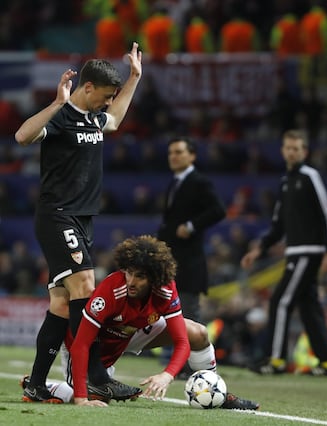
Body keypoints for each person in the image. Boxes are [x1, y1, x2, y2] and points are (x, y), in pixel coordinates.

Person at [15, 42, 142, 402]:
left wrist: (134, 77)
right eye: (104, 95)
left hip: (83, 219)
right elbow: (21, 136)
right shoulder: (61, 117)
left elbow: (114, 119)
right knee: (86, 284)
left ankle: (37, 384)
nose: (107, 102)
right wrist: (56, 104)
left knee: (60, 303)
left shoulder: (95, 119)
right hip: (58, 215)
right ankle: (97, 374)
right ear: (87, 88)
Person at [65, 235, 259, 409]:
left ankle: (216, 392)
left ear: (154, 278)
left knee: (198, 333)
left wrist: (167, 375)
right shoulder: (111, 289)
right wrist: (81, 399)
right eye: (129, 272)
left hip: (132, 332)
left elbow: (182, 341)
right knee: (94, 398)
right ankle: (44, 385)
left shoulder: (164, 290)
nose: (131, 281)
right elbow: (81, 344)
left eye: (140, 276)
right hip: (98, 344)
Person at [241, 129, 327, 375]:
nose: (292, 152)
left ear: (305, 151)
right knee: (308, 306)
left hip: (309, 251)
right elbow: (278, 225)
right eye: (288, 148)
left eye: (297, 148)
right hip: (295, 251)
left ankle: (276, 360)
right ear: (283, 150)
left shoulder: (310, 176)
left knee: (280, 301)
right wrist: (260, 249)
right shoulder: (286, 182)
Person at [157, 137, 226, 323]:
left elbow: (219, 210)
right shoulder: (175, 182)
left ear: (192, 156)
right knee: (172, 316)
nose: (173, 157)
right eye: (171, 153)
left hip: (189, 263)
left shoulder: (198, 182)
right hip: (173, 261)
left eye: (179, 152)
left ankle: (196, 353)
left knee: (188, 317)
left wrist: (191, 226)